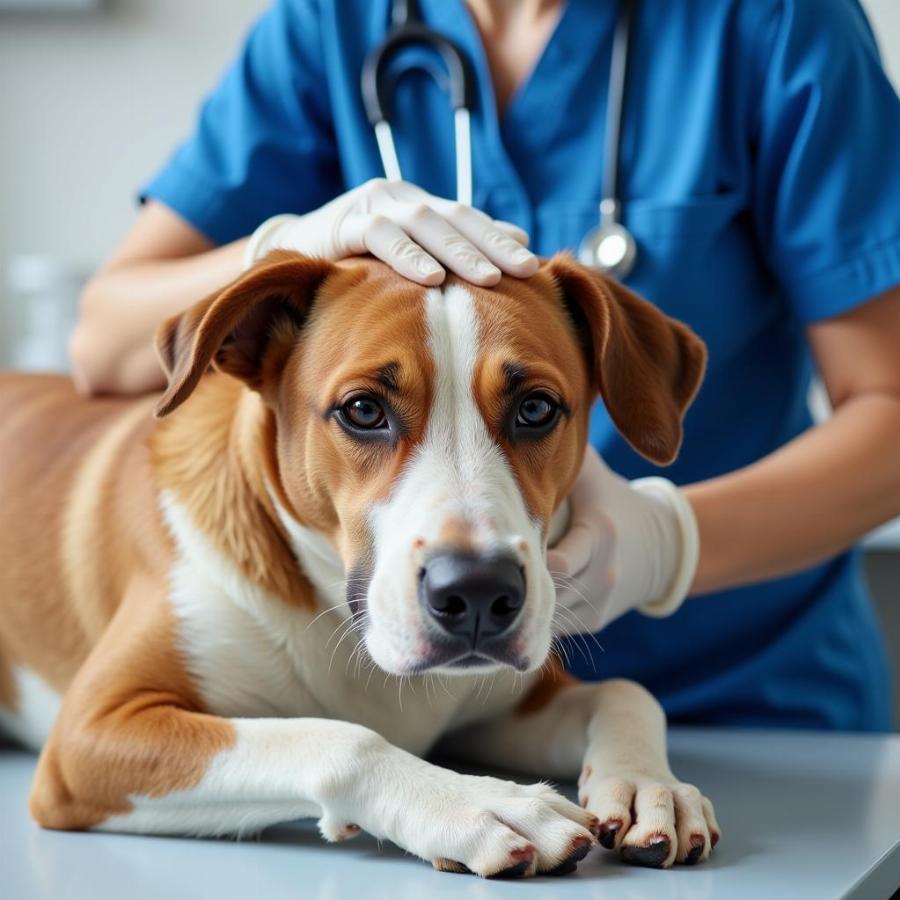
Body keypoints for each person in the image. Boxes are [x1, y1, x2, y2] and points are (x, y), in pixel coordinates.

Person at [70, 0, 900, 731]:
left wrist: (667, 545)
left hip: (747, 701)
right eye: (365, 413)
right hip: (438, 723)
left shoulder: (777, 20)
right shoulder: (332, 23)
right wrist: (282, 245)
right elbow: (103, 342)